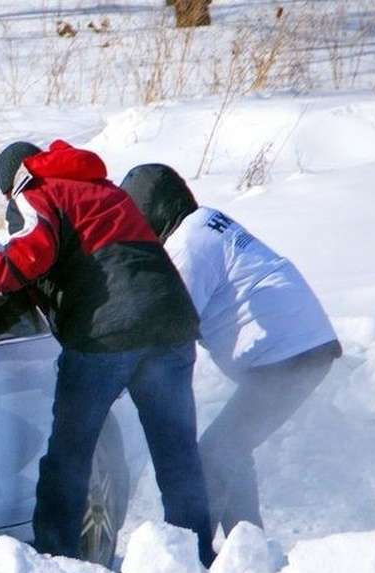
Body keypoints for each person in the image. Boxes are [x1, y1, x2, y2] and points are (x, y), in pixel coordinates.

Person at [0, 140, 216, 566]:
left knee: (72, 450)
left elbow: (28, 254)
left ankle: (57, 558)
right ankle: (197, 559)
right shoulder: (106, 191)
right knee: (177, 452)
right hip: (171, 323)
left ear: (12, 182)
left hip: (107, 333)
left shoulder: (37, 192)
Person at [121, 163, 341, 536]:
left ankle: (197, 553)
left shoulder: (187, 245)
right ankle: (248, 544)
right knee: (230, 452)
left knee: (214, 456)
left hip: (288, 356)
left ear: (151, 211)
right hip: (299, 346)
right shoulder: (206, 221)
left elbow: (172, 322)